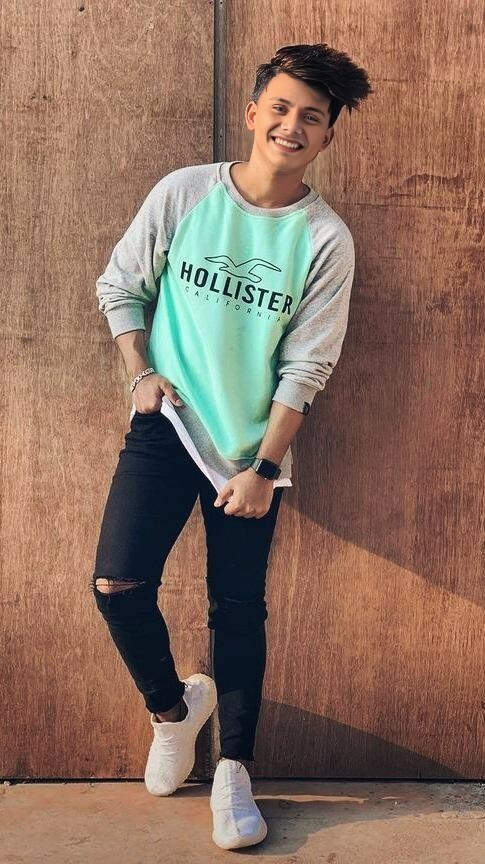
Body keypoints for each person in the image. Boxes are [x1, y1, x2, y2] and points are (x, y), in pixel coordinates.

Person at [90, 42, 372, 850]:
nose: (291, 126)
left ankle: (234, 771)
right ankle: (173, 711)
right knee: (116, 584)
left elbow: (306, 365)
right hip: (169, 425)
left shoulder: (324, 238)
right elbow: (121, 284)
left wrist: (264, 468)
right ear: (253, 113)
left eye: (310, 117)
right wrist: (140, 372)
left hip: (251, 454)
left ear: (326, 136)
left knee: (237, 607)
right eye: (279, 108)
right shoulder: (186, 193)